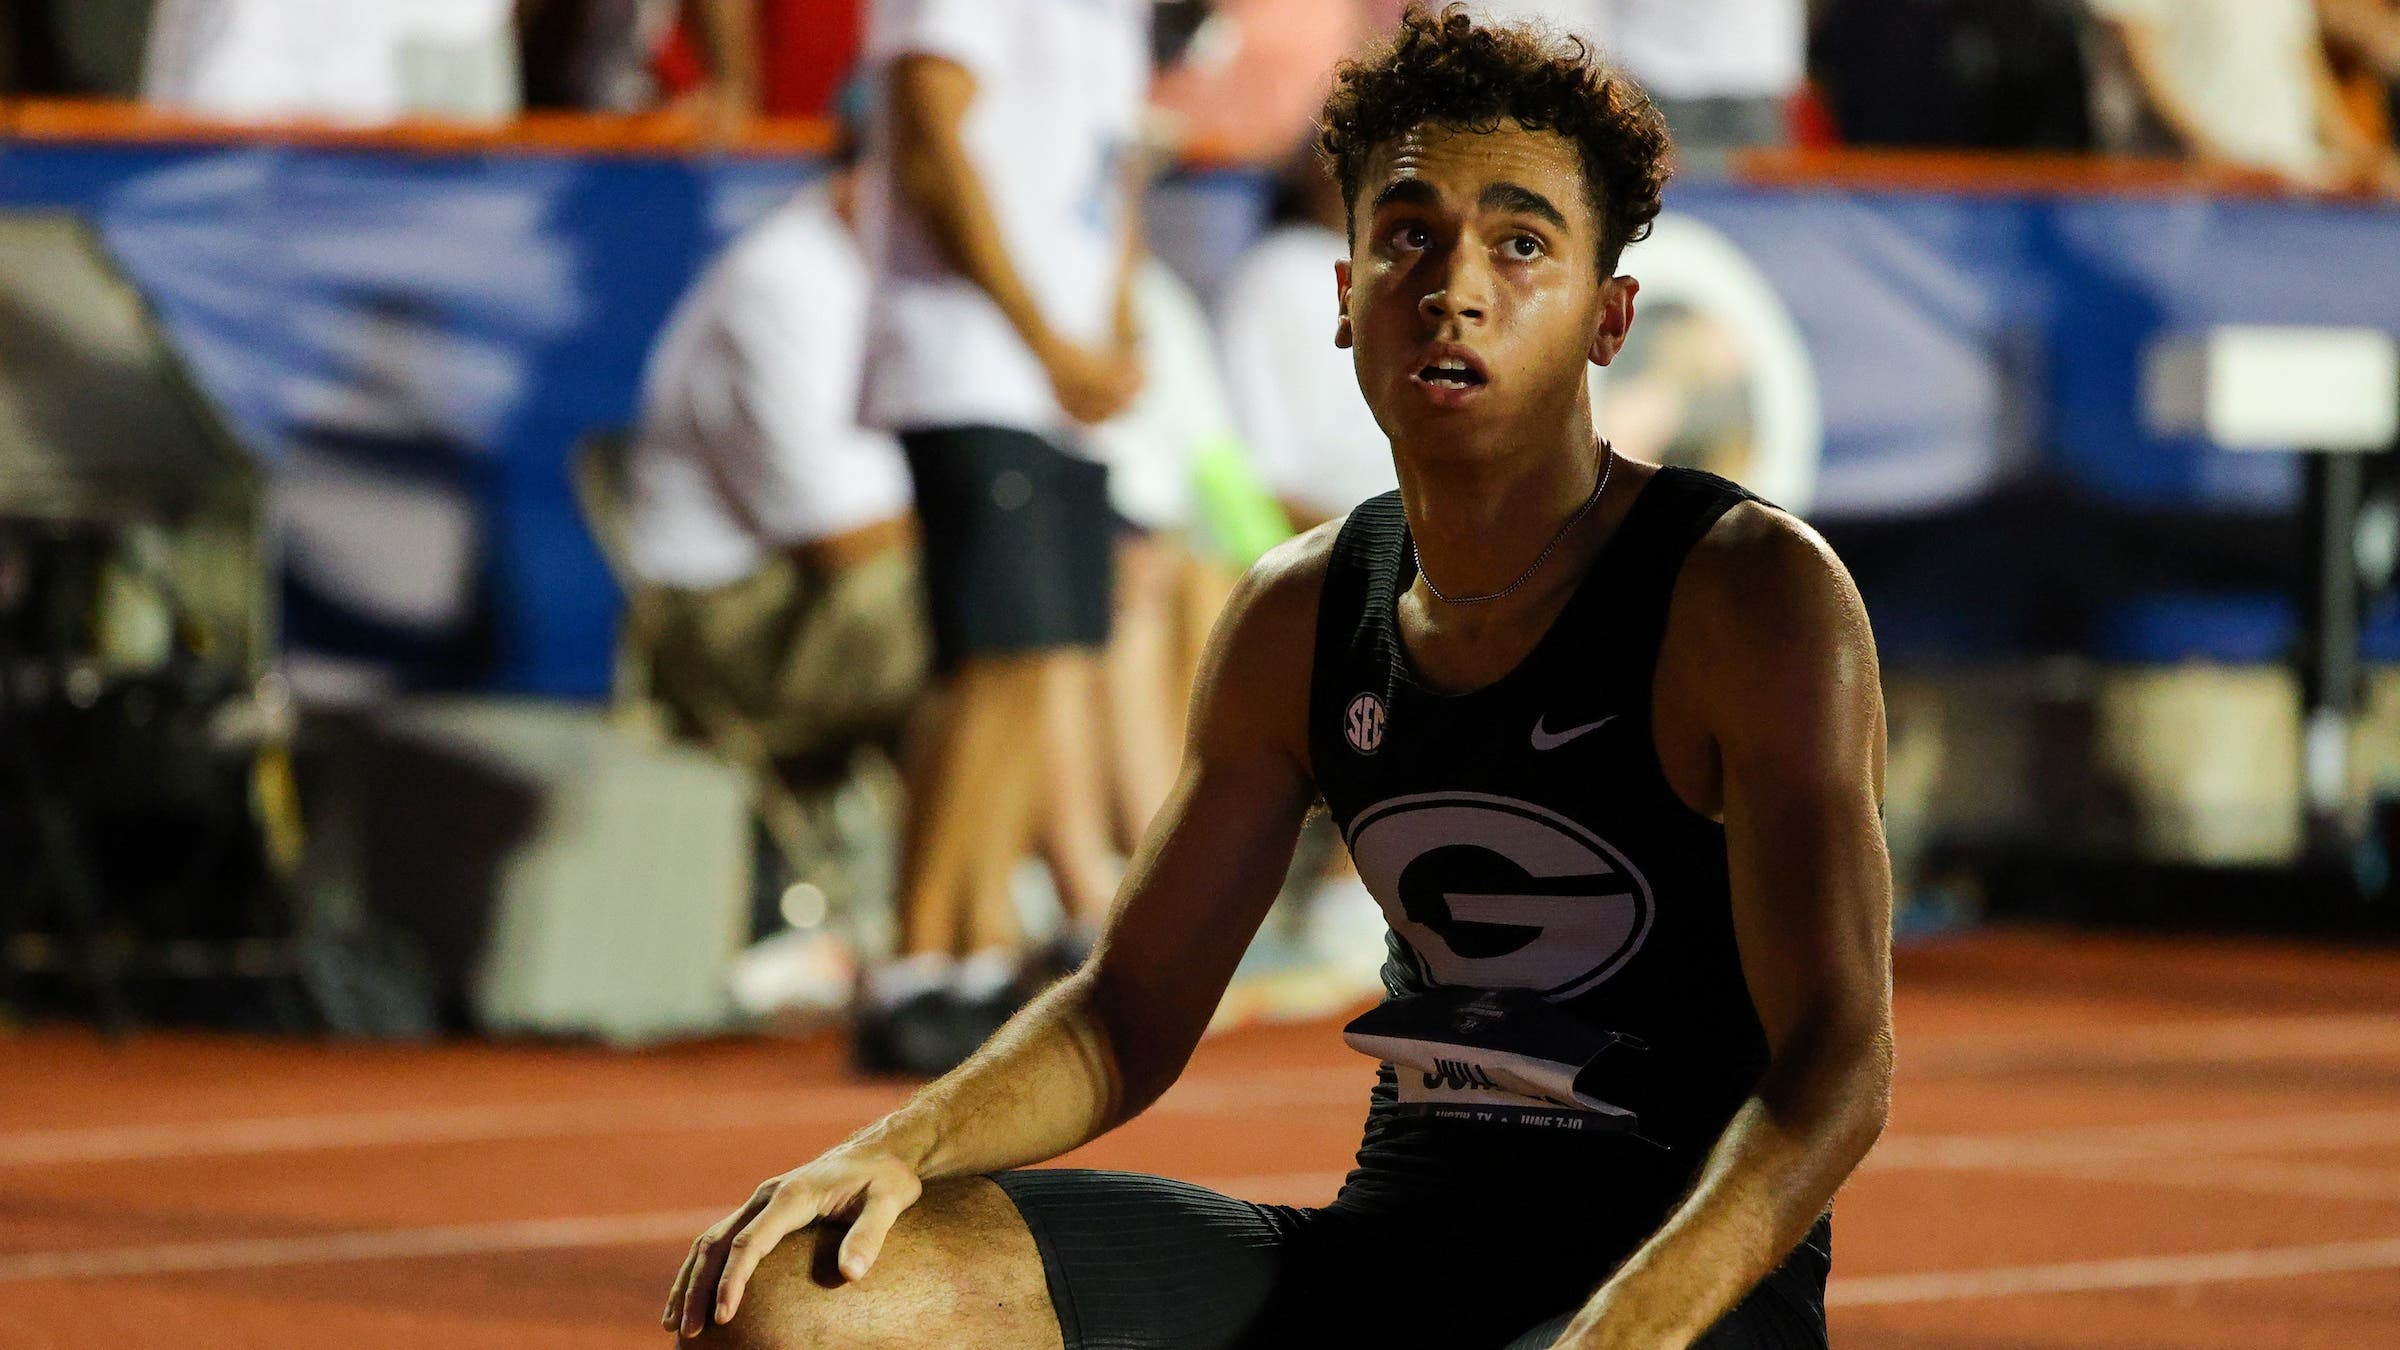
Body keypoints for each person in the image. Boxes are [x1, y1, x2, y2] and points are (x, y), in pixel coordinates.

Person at [666, 7, 1893, 1347]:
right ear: (1344, 289)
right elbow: (1124, 1013)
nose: (1455, 286)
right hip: (1388, 1256)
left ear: (1611, 318)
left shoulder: (1750, 592)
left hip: (1676, 1296)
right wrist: (900, 1143)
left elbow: (1835, 1057)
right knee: (805, 1295)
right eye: (1408, 235)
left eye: (1521, 243)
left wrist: (1629, 1323)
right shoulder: (1303, 611)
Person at [850, 0, 1151, 1075]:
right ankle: (914, 963)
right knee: (991, 656)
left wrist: (1117, 320)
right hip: (973, 363)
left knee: (1044, 659)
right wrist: (1043, 335)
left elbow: (1115, 172)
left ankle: (978, 952)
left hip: (1061, 380)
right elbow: (931, 140)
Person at [622, 141, 927, 831]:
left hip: (802, 601)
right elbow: (841, 535)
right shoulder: (785, 282)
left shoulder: (879, 272)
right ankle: (984, 912)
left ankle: (1091, 889)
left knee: (1100, 593)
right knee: (1005, 619)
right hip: (720, 629)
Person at [2086, 0, 2400, 192]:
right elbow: (2140, 57)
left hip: (2288, 182)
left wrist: (2362, 156)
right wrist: (2209, 150)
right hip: (2188, 191)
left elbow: (2303, 63)